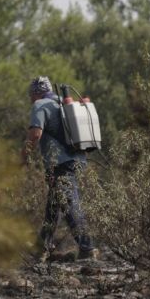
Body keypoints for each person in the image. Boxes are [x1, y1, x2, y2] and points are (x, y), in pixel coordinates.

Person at [21, 76, 96, 262]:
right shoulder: (62, 103)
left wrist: (23, 157)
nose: (30, 98)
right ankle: (41, 248)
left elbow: (35, 135)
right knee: (53, 206)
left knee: (69, 204)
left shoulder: (40, 105)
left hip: (60, 163)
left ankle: (87, 248)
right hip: (76, 159)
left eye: (31, 94)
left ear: (36, 93)